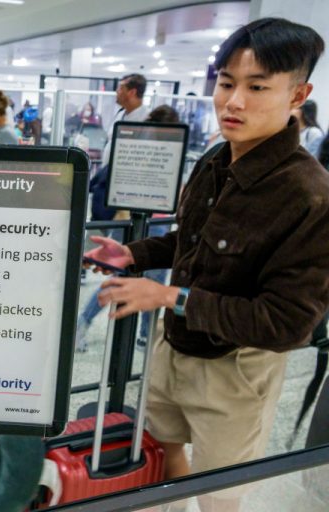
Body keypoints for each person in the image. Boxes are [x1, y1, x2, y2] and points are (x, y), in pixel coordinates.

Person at [85, 18, 328, 512]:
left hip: (235, 371)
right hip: (173, 347)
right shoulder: (216, 159)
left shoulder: (310, 196)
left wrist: (170, 297)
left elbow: (286, 322)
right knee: (161, 457)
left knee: (219, 494)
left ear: (297, 94)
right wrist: (135, 254)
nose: (233, 101)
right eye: (226, 83)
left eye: (257, 87)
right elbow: (190, 243)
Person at [76, 105, 179, 353]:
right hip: (137, 221)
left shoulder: (159, 153)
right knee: (120, 279)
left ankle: (144, 334)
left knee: (148, 283)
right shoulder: (141, 152)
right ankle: (85, 325)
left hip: (156, 223)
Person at [101, 73, 150, 167]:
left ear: (132, 92)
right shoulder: (120, 114)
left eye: (120, 88)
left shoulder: (147, 119)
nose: (117, 91)